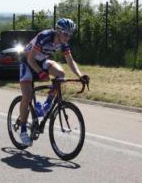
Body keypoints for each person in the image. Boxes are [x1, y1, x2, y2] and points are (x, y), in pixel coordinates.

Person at [18, 18, 90, 146]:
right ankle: (23, 130)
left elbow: (70, 60)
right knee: (27, 96)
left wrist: (80, 75)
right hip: (27, 62)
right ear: (58, 31)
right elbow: (30, 59)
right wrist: (40, 72)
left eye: (70, 34)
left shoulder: (63, 42)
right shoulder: (45, 37)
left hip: (41, 61)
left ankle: (46, 105)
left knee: (61, 74)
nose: (67, 37)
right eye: (65, 33)